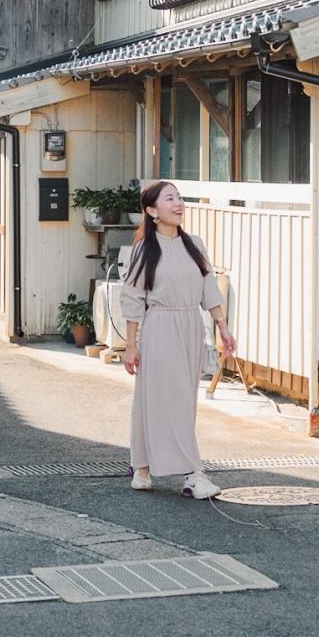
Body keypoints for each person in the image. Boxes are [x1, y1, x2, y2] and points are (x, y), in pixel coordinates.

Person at [119, 180, 236, 499]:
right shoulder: (145, 248)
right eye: (169, 198)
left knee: (177, 399)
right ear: (153, 211)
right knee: (166, 399)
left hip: (190, 327)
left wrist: (223, 327)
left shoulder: (194, 244)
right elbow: (132, 298)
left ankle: (141, 465)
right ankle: (192, 474)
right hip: (159, 326)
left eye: (179, 197)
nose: (178, 203)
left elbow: (208, 289)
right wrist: (131, 345)